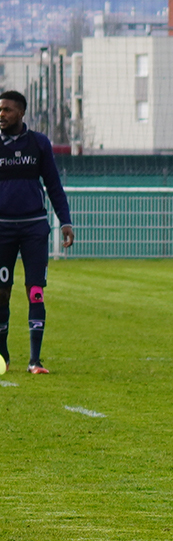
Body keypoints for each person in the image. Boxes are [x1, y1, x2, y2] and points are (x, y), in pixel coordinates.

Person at [0, 90, 74, 374]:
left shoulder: (39, 143)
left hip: (34, 227)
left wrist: (65, 222)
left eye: (7, 110)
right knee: (1, 293)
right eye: (0, 109)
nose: (1, 115)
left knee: (36, 292)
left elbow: (54, 185)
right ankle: (3, 354)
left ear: (21, 113)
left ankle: (35, 361)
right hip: (2, 229)